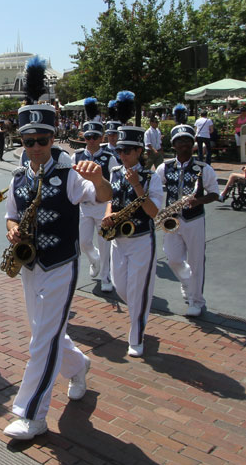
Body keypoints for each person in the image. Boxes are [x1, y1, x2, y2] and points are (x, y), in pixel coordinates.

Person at [1, 97, 112, 440]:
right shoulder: (19, 177)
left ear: (53, 139)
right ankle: (78, 366)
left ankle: (32, 414)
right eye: (28, 141)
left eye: (42, 140)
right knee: (45, 332)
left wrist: (101, 177)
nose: (34, 147)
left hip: (61, 265)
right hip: (30, 265)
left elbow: (103, 196)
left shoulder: (70, 175)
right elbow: (10, 214)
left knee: (42, 339)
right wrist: (12, 230)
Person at [101, 125, 159, 357]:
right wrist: (107, 214)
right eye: (120, 151)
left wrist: (137, 184)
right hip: (118, 238)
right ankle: (139, 310)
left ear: (138, 151)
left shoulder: (150, 177)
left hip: (142, 239)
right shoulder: (114, 172)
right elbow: (111, 199)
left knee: (137, 291)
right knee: (121, 287)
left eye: (127, 151)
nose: (122, 155)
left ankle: (136, 337)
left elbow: (154, 212)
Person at [153, 125, 220, 317]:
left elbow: (215, 193)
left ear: (193, 144)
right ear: (173, 145)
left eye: (188, 141)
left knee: (196, 260)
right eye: (180, 141)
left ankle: (196, 300)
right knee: (173, 258)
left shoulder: (203, 168)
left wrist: (198, 200)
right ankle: (187, 283)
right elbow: (155, 188)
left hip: (194, 219)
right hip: (172, 219)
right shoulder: (164, 167)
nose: (184, 144)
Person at [73, 107, 117, 293]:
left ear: (102, 138)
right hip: (84, 206)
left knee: (105, 244)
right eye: (88, 137)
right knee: (83, 242)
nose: (91, 141)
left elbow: (115, 184)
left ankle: (106, 277)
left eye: (95, 137)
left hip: (102, 206)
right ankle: (94, 259)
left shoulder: (109, 157)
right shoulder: (76, 155)